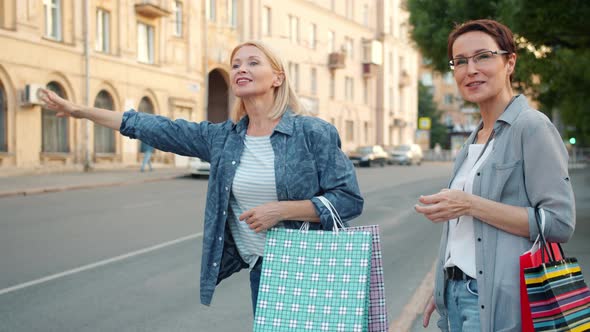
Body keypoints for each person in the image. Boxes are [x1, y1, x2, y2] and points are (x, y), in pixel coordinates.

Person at [39, 41, 363, 315]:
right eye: (235, 65)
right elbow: (151, 126)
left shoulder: (313, 132)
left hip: (311, 266)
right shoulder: (223, 139)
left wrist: (281, 210)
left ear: (277, 77)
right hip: (266, 271)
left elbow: (348, 199)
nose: (240, 69)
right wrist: (81, 111)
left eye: (252, 62)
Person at [414, 19, 575, 331]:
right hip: (456, 295)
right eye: (460, 61)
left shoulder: (532, 127)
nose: (470, 69)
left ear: (510, 62)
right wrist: (444, 285)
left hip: (497, 298)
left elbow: (559, 222)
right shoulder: (473, 141)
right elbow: (461, 234)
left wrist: (470, 204)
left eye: (483, 57)